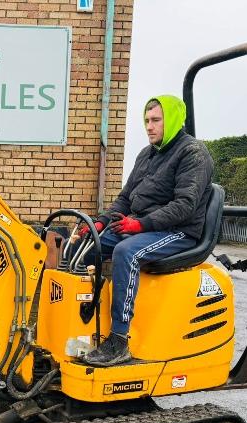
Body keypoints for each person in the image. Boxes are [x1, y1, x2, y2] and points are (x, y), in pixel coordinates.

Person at [77, 94, 214, 367]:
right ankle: (86, 321)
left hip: (179, 232)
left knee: (126, 251)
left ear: (172, 120)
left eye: (156, 120)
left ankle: (119, 340)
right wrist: (101, 221)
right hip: (144, 226)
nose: (149, 126)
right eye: (147, 120)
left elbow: (185, 205)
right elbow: (126, 198)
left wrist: (140, 224)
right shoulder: (146, 155)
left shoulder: (193, 154)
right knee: (87, 246)